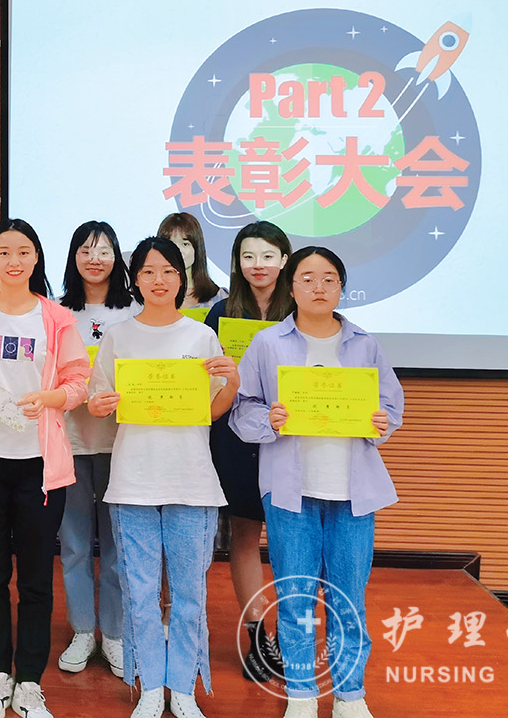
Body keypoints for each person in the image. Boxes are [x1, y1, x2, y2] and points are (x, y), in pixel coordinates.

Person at [231, 246, 404, 718]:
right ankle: (302, 695)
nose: (319, 287)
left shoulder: (364, 344)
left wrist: (380, 421)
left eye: (329, 279)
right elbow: (242, 410)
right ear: (291, 287)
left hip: (353, 493)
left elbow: (391, 406)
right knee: (295, 599)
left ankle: (350, 696)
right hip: (290, 492)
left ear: (341, 287)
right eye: (307, 278)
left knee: (349, 599)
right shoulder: (268, 343)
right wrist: (269, 419)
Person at [0, 219, 90, 718]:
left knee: (35, 582)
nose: (14, 260)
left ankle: (29, 681)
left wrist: (51, 397)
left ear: (36, 258)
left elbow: (78, 381)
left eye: (23, 251)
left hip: (41, 468)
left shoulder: (57, 317)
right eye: (3, 252)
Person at [88, 237, 239, 718]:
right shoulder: (118, 336)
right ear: (135, 279)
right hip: (133, 479)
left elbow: (211, 411)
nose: (159, 280)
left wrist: (233, 382)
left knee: (190, 595)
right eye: (149, 271)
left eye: (169, 271)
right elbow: (98, 400)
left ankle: (183, 688)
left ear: (182, 278)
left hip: (191, 480)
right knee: (140, 592)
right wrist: (98, 404)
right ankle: (150, 685)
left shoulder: (201, 336)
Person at [204, 221, 294, 682]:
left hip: (289, 432)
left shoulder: (300, 309)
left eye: (267, 256)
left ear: (284, 260)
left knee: (289, 535)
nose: (258, 265)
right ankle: (258, 635)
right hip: (234, 435)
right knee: (243, 533)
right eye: (248, 256)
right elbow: (204, 375)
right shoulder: (221, 312)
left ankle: (293, 635)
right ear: (237, 263)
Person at [54, 221, 135, 678]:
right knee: (75, 544)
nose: (95, 259)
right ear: (73, 258)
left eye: (104, 250)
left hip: (123, 443)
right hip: (69, 440)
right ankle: (83, 629)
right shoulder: (57, 311)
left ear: (117, 257)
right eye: (85, 250)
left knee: (120, 546)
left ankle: (116, 634)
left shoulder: (135, 310)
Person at [156, 213, 220, 311]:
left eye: (185, 244)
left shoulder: (219, 297)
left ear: (197, 249)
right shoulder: (149, 295)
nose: (178, 251)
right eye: (171, 244)